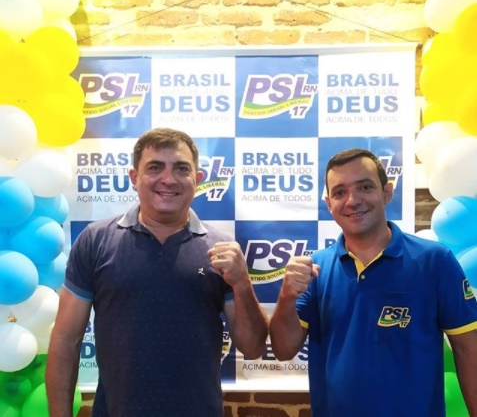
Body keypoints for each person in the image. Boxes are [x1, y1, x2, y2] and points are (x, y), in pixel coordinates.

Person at [46, 127, 268, 417]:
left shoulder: (221, 248)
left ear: (198, 179)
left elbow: (253, 348)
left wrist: (242, 283)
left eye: (181, 168)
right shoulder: (95, 240)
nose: (168, 179)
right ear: (134, 178)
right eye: (155, 167)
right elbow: (66, 340)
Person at [270, 148, 477, 417]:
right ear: (329, 203)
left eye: (365, 187)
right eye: (340, 192)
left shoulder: (434, 260)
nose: (353, 200)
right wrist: (286, 297)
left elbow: (468, 349)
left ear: (387, 192)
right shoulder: (315, 269)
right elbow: (284, 350)